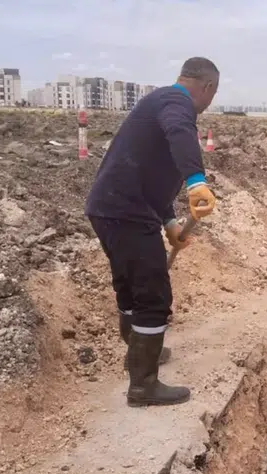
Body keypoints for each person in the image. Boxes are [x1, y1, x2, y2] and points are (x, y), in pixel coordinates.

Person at [84, 57, 220, 407]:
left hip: (113, 207)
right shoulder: (177, 104)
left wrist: (170, 222)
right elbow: (180, 133)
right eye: (212, 94)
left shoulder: (160, 102)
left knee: (130, 287)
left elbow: (149, 176)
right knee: (153, 296)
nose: (209, 103)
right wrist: (196, 181)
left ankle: (139, 355)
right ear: (207, 88)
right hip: (126, 212)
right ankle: (143, 384)